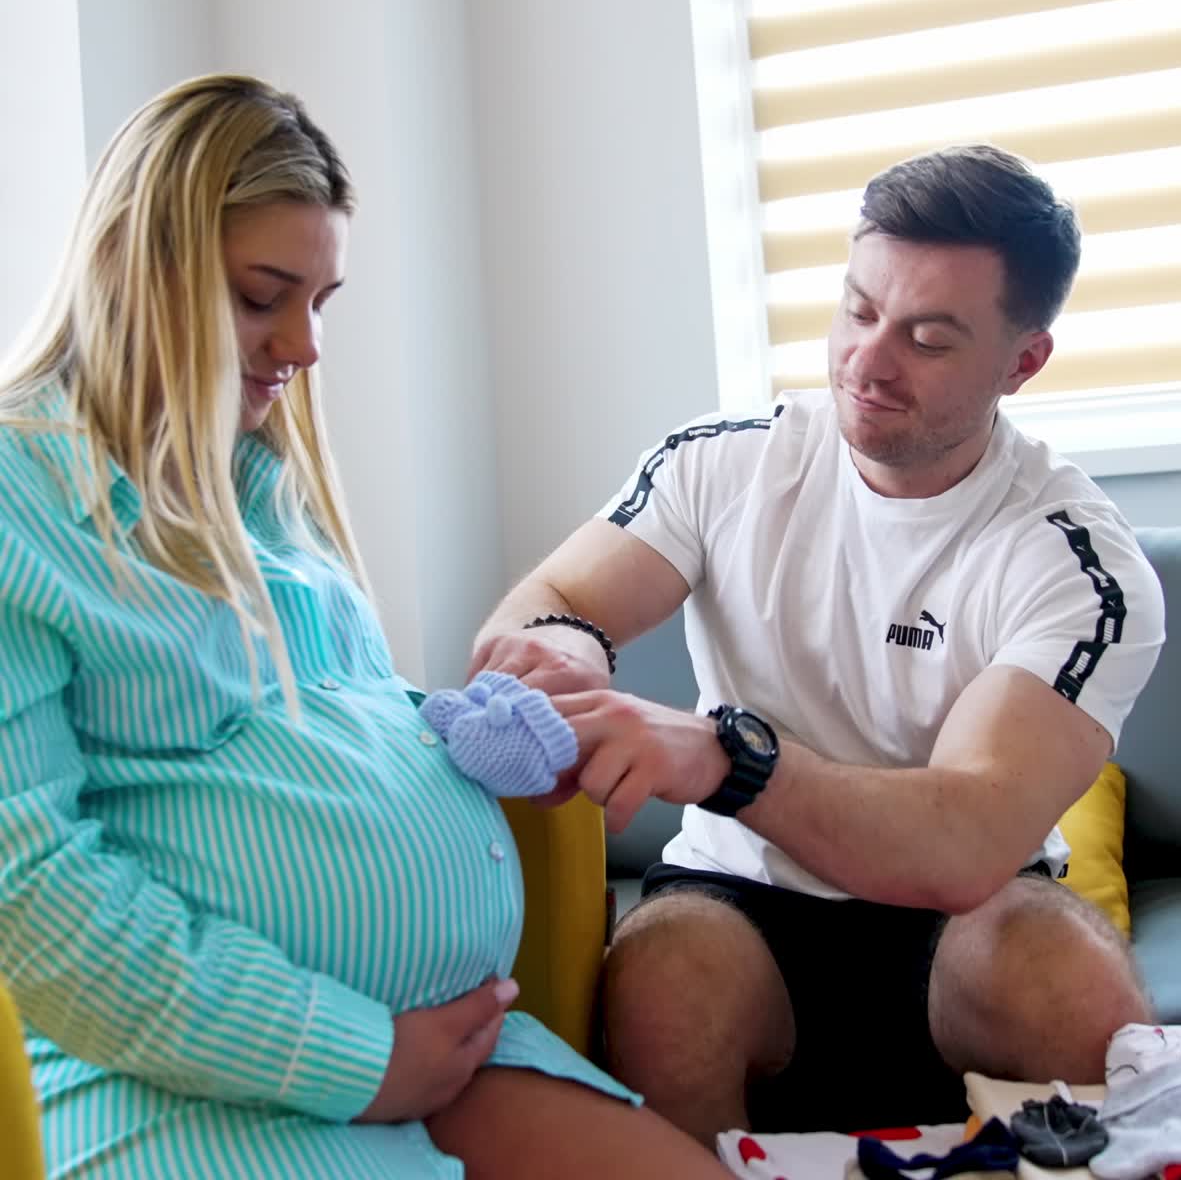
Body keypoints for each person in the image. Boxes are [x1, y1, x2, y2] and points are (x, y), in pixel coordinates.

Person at [0, 74, 733, 1178]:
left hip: (438, 1054)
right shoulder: (18, 497)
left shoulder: (259, 485)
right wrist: (352, 1054)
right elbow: (38, 894)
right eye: (262, 295)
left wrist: (462, 744)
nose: (303, 345)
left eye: (320, 301)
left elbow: (307, 727)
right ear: (132, 268)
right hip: (185, 1078)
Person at [472, 145, 1166, 1143]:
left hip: (968, 918)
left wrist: (727, 754)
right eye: (856, 309)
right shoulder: (719, 463)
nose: (866, 361)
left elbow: (966, 835)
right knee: (663, 984)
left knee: (1069, 982)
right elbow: (553, 600)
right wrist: (565, 652)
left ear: (1020, 361)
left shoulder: (1077, 564)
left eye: (926, 338)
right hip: (738, 903)